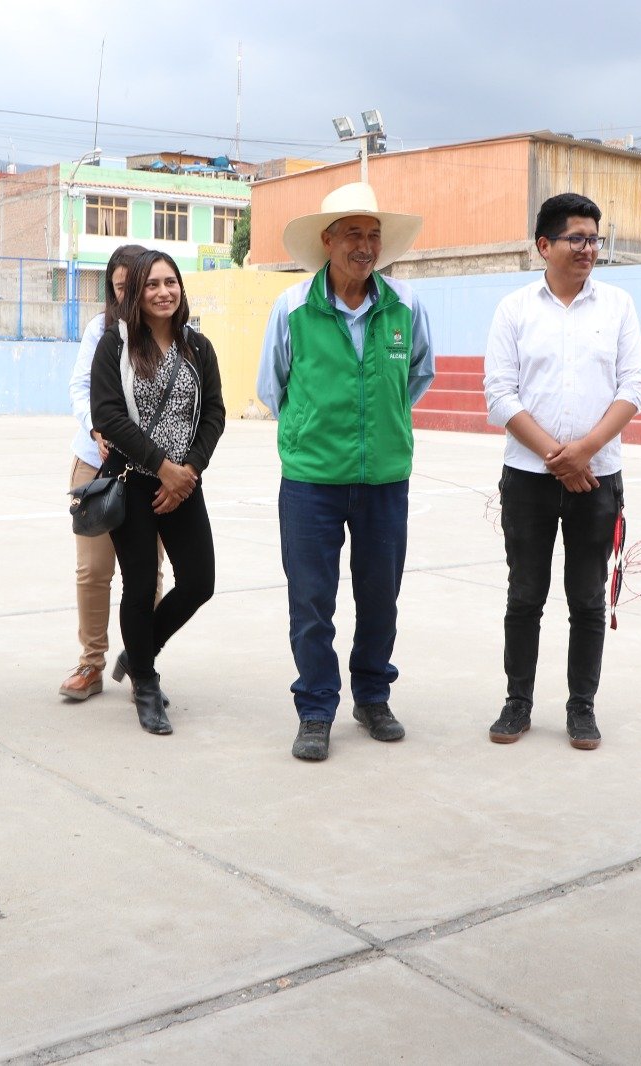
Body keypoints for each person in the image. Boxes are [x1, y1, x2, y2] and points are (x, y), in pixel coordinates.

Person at [255, 182, 434, 762]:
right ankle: (314, 709)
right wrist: (313, 429)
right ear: (327, 242)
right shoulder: (291, 307)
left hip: (385, 478)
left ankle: (373, 697)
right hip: (311, 481)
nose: (366, 245)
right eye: (353, 234)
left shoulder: (406, 304)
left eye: (374, 234)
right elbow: (272, 387)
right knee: (311, 601)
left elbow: (417, 379)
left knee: (381, 596)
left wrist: (379, 431)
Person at [483, 192, 641, 750]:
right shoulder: (515, 309)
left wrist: (586, 451)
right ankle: (517, 702)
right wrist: (559, 456)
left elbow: (634, 387)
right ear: (544, 246)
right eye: (576, 239)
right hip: (528, 479)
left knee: (586, 598)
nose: (587, 249)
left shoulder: (618, 306)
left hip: (597, 478)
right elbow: (500, 394)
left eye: (593, 239)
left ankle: (582, 707)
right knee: (525, 595)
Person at [90, 250, 224, 734]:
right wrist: (162, 467)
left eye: (172, 282)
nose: (164, 292)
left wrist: (188, 471)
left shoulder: (198, 347)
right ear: (137, 293)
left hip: (184, 484)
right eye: (152, 284)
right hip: (133, 483)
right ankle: (145, 684)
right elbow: (108, 415)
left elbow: (214, 414)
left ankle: (139, 650)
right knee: (141, 584)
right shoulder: (115, 345)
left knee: (199, 582)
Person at [61, 242, 157, 701]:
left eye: (131, 287)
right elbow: (80, 386)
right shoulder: (100, 328)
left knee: (147, 573)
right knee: (94, 570)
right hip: (95, 465)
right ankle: (91, 663)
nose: (124, 297)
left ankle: (143, 661)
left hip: (150, 470)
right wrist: (97, 425)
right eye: (117, 288)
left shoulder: (168, 333)